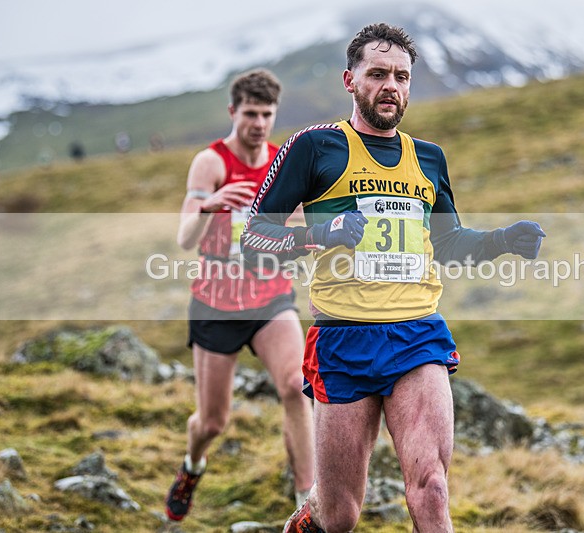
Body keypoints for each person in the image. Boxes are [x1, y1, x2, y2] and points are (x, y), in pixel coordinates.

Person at [242, 24, 545, 533]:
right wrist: (326, 233)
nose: (391, 86)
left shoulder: (429, 158)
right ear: (350, 79)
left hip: (416, 335)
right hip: (343, 338)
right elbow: (255, 236)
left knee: (431, 487)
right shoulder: (316, 147)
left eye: (402, 76)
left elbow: (448, 246)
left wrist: (500, 241)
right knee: (338, 516)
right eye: (378, 73)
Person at [165, 69, 314, 522]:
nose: (259, 123)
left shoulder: (280, 161)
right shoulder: (210, 163)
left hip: (270, 297)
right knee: (212, 423)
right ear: (233, 112)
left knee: (296, 385)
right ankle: (193, 466)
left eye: (267, 114)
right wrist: (213, 203)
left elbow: (295, 231)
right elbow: (185, 238)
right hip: (217, 304)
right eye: (250, 113)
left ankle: (308, 503)